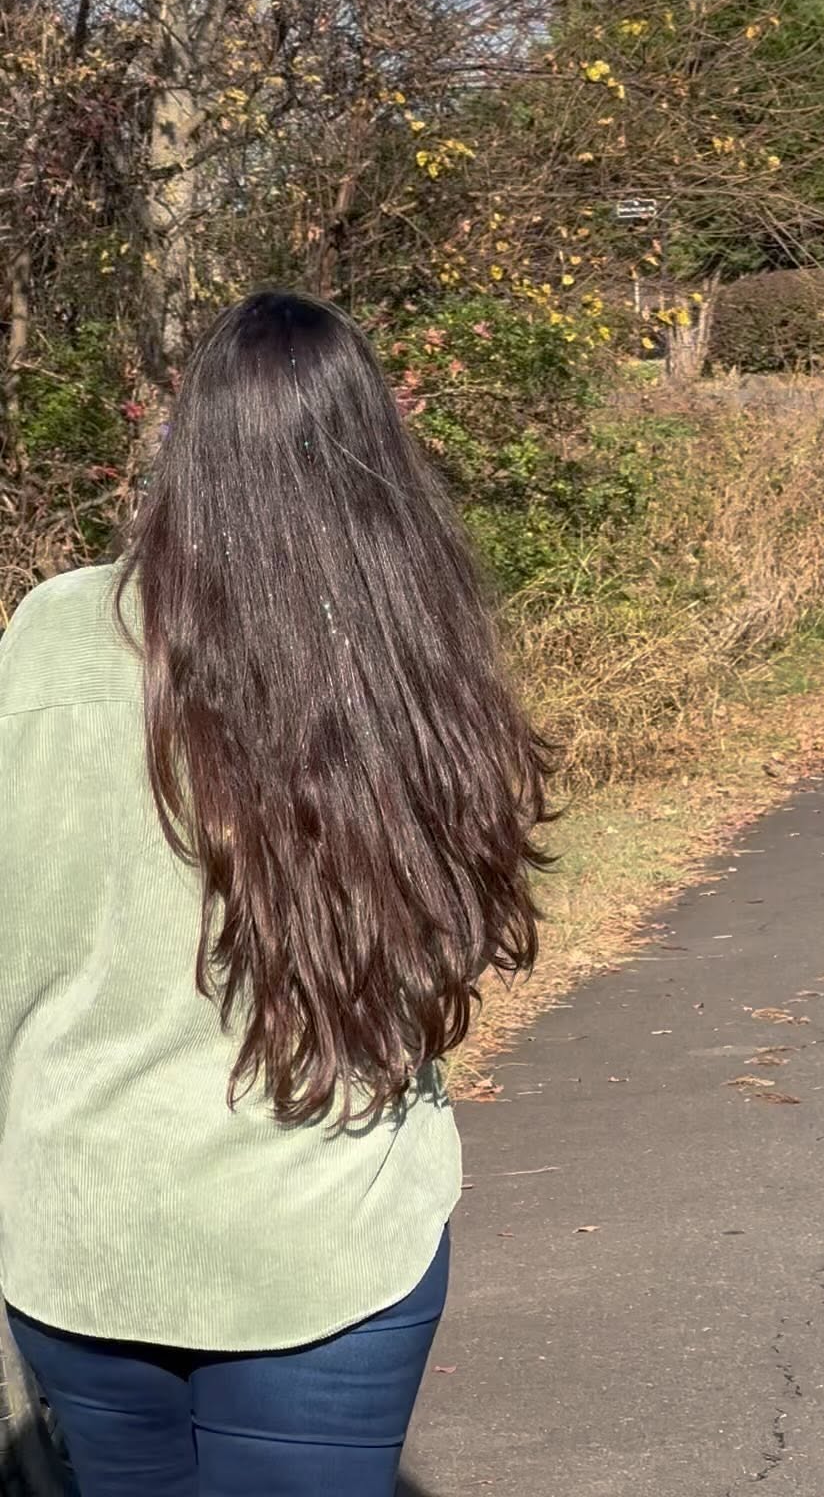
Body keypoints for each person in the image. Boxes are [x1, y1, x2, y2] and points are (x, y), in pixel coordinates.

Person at [0, 291, 551, 1496]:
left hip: (86, 1225)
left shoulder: (52, 635)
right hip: (322, 1232)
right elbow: (446, 938)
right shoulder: (403, 657)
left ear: (187, 447)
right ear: (374, 454)